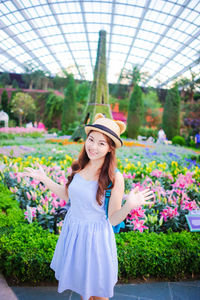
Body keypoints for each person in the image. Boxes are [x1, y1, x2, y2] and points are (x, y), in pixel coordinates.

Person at [22, 113, 154, 300]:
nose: (93, 146)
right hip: (74, 233)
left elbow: (113, 219)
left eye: (102, 143)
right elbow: (68, 195)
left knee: (98, 294)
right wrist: (44, 179)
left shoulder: (114, 178)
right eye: (91, 139)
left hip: (95, 239)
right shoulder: (80, 167)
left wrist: (129, 205)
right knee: (85, 290)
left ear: (110, 148)